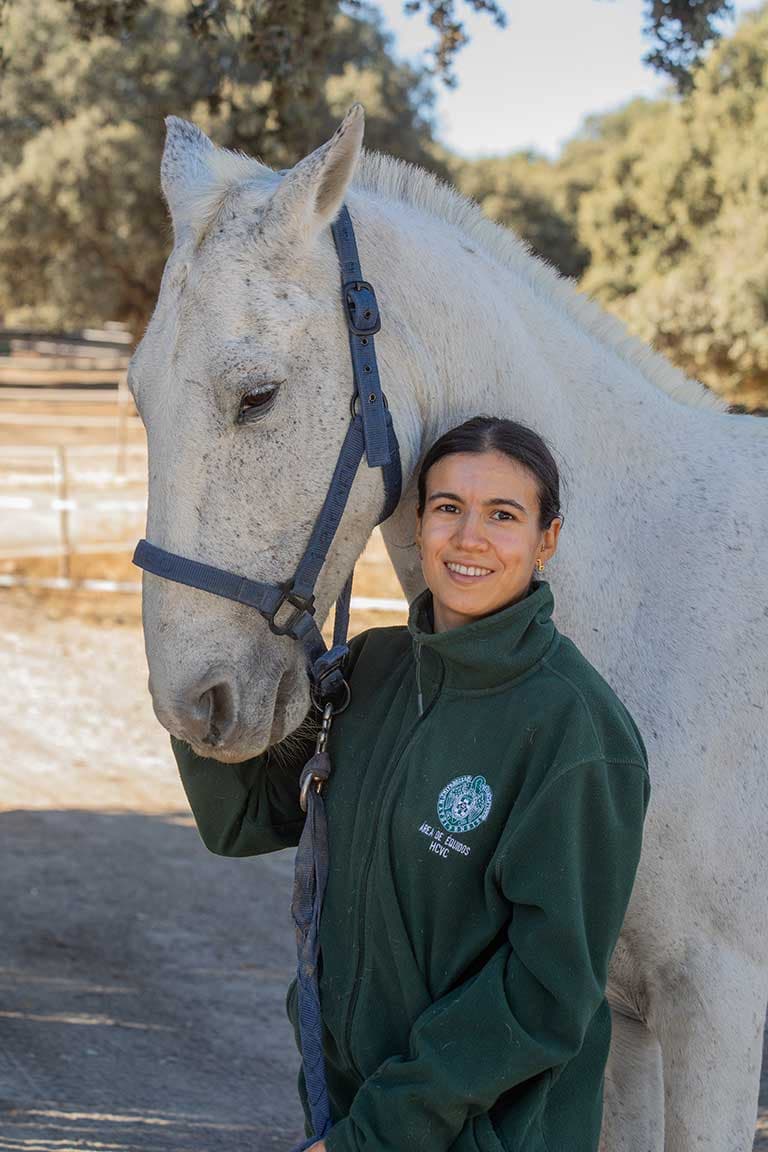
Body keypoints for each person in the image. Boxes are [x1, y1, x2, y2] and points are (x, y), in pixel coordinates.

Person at [172, 414, 651, 1152]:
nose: (470, 538)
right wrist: (194, 680)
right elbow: (243, 820)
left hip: (481, 1134)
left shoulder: (578, 732)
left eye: (503, 515)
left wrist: (381, 1133)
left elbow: (546, 995)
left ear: (546, 540)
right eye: (448, 508)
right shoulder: (372, 670)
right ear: (418, 526)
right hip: (346, 1113)